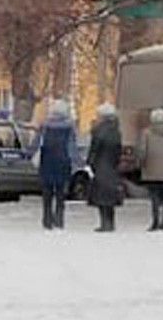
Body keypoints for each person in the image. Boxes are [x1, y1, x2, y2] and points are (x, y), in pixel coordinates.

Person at [26, 98, 79, 230]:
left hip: (47, 161)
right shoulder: (69, 127)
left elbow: (36, 142)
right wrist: (77, 161)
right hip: (62, 162)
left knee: (47, 194)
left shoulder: (44, 125)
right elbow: (71, 146)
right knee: (61, 194)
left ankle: (47, 220)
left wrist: (29, 153)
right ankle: (59, 220)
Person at [87, 103, 124, 232]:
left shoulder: (99, 130)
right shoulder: (116, 130)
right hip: (112, 165)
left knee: (101, 196)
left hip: (101, 165)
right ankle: (111, 222)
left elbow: (94, 148)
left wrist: (90, 163)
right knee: (110, 195)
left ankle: (104, 223)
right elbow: (119, 149)